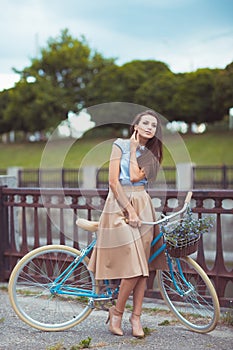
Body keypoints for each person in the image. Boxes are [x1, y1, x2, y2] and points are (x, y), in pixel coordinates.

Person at [88, 109, 168, 337]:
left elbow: (135, 176)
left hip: (143, 203)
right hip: (118, 204)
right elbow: (114, 182)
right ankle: (117, 312)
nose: (149, 127)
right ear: (136, 125)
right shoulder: (119, 145)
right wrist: (128, 209)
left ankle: (136, 318)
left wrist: (134, 152)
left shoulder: (152, 154)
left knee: (143, 268)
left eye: (153, 125)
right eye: (145, 123)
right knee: (135, 267)